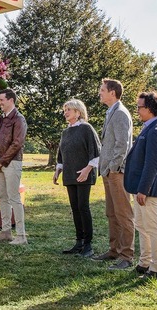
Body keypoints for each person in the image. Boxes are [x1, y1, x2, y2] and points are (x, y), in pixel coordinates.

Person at [124, 91, 157, 280]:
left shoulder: (156, 130)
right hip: (140, 188)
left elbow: (153, 164)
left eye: (139, 107)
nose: (137, 110)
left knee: (152, 227)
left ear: (150, 109)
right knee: (141, 225)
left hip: (149, 189)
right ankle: (144, 262)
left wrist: (143, 190)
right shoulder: (147, 127)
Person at [92, 78, 135, 270]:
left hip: (117, 172)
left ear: (112, 92)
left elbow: (122, 145)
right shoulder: (111, 112)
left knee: (123, 214)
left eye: (102, 90)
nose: (99, 92)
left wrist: (113, 167)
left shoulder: (120, 114)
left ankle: (126, 256)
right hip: (109, 172)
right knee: (111, 213)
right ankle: (113, 250)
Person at [53, 99, 101, 258]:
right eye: (65, 110)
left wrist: (87, 170)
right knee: (75, 208)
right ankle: (79, 241)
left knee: (83, 207)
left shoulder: (87, 129)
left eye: (69, 110)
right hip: (70, 174)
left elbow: (96, 152)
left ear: (78, 112)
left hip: (84, 174)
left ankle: (88, 244)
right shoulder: (65, 132)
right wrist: (58, 170)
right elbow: (62, 154)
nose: (65, 112)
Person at [0, 89, 29, 245]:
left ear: (11, 100)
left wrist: (1, 161)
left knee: (14, 198)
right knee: (2, 198)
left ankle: (21, 235)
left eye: (1, 100)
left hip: (12, 163)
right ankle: (6, 232)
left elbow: (17, 143)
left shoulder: (19, 119)